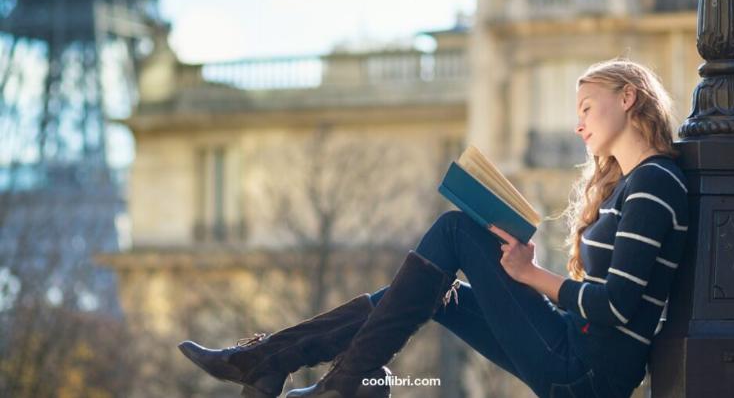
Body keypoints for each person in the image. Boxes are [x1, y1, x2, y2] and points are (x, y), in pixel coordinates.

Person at [178, 57, 689, 398]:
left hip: (587, 373)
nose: (579, 124)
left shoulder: (653, 184)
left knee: (455, 233)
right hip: (576, 350)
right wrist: (522, 270)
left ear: (628, 98)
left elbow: (618, 306)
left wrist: (530, 275)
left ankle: (317, 378)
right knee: (439, 292)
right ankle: (277, 360)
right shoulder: (633, 184)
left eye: (585, 107)